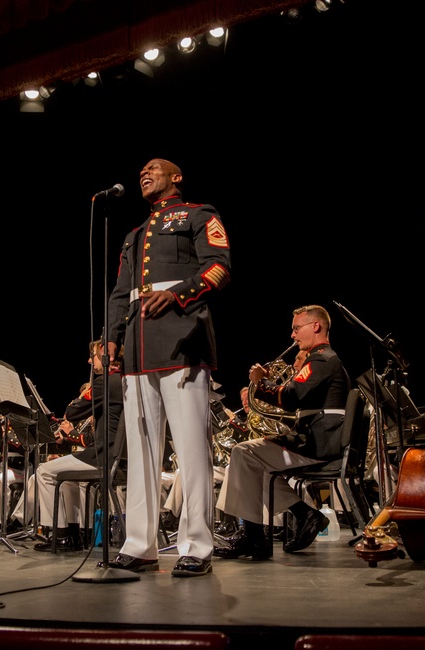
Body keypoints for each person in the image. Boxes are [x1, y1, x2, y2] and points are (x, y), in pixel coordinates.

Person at [104, 157, 231, 577]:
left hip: (181, 338)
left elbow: (218, 268)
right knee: (140, 452)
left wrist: (178, 294)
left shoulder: (199, 214)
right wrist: (110, 340)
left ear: (176, 177)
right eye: (141, 169)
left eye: (154, 168)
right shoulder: (134, 234)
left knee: (191, 448)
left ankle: (196, 545)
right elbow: (121, 293)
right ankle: (140, 544)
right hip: (138, 347)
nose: (144, 172)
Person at [214, 305, 350, 560]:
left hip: (317, 443)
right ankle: (302, 516)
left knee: (243, 453)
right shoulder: (325, 359)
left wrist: (260, 382)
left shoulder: (321, 358)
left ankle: (257, 538)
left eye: (297, 328)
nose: (293, 335)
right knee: (256, 464)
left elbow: (291, 397)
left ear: (316, 326)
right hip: (317, 439)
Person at [28, 339, 125, 553]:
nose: (89, 360)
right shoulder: (126, 380)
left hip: (102, 455)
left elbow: (72, 413)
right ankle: (72, 535)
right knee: (69, 480)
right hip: (121, 458)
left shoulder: (105, 382)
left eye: (93, 356)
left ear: (106, 355)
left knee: (43, 471)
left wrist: (87, 390)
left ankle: (59, 534)